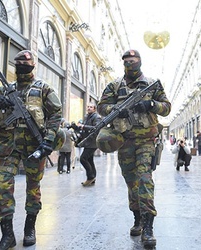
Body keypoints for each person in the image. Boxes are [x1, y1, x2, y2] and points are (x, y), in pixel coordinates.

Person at [0, 50, 63, 249]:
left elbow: (56, 114)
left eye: (26, 63)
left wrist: (48, 140)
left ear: (33, 65)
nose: (22, 66)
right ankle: (7, 235)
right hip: (8, 146)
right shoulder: (4, 90)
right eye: (18, 63)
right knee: (2, 186)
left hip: (34, 146)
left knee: (33, 189)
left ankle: (29, 228)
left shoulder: (43, 89)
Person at [96, 49, 171, 248]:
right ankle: (137, 217)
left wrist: (151, 104)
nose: (130, 62)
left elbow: (166, 107)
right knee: (131, 182)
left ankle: (148, 226)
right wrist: (118, 110)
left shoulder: (152, 83)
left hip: (147, 141)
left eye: (134, 59)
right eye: (127, 60)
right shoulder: (114, 86)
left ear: (140, 61)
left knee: (144, 179)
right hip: (124, 141)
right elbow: (101, 107)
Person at [72, 102, 102, 186]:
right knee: (89, 160)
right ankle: (93, 177)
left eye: (91, 107)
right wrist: (76, 127)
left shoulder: (96, 117)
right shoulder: (87, 116)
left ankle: (90, 177)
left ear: (94, 109)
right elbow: (83, 128)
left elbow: (96, 128)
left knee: (83, 159)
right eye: (88, 106)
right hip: (87, 142)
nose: (89, 108)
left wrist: (83, 126)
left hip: (92, 142)